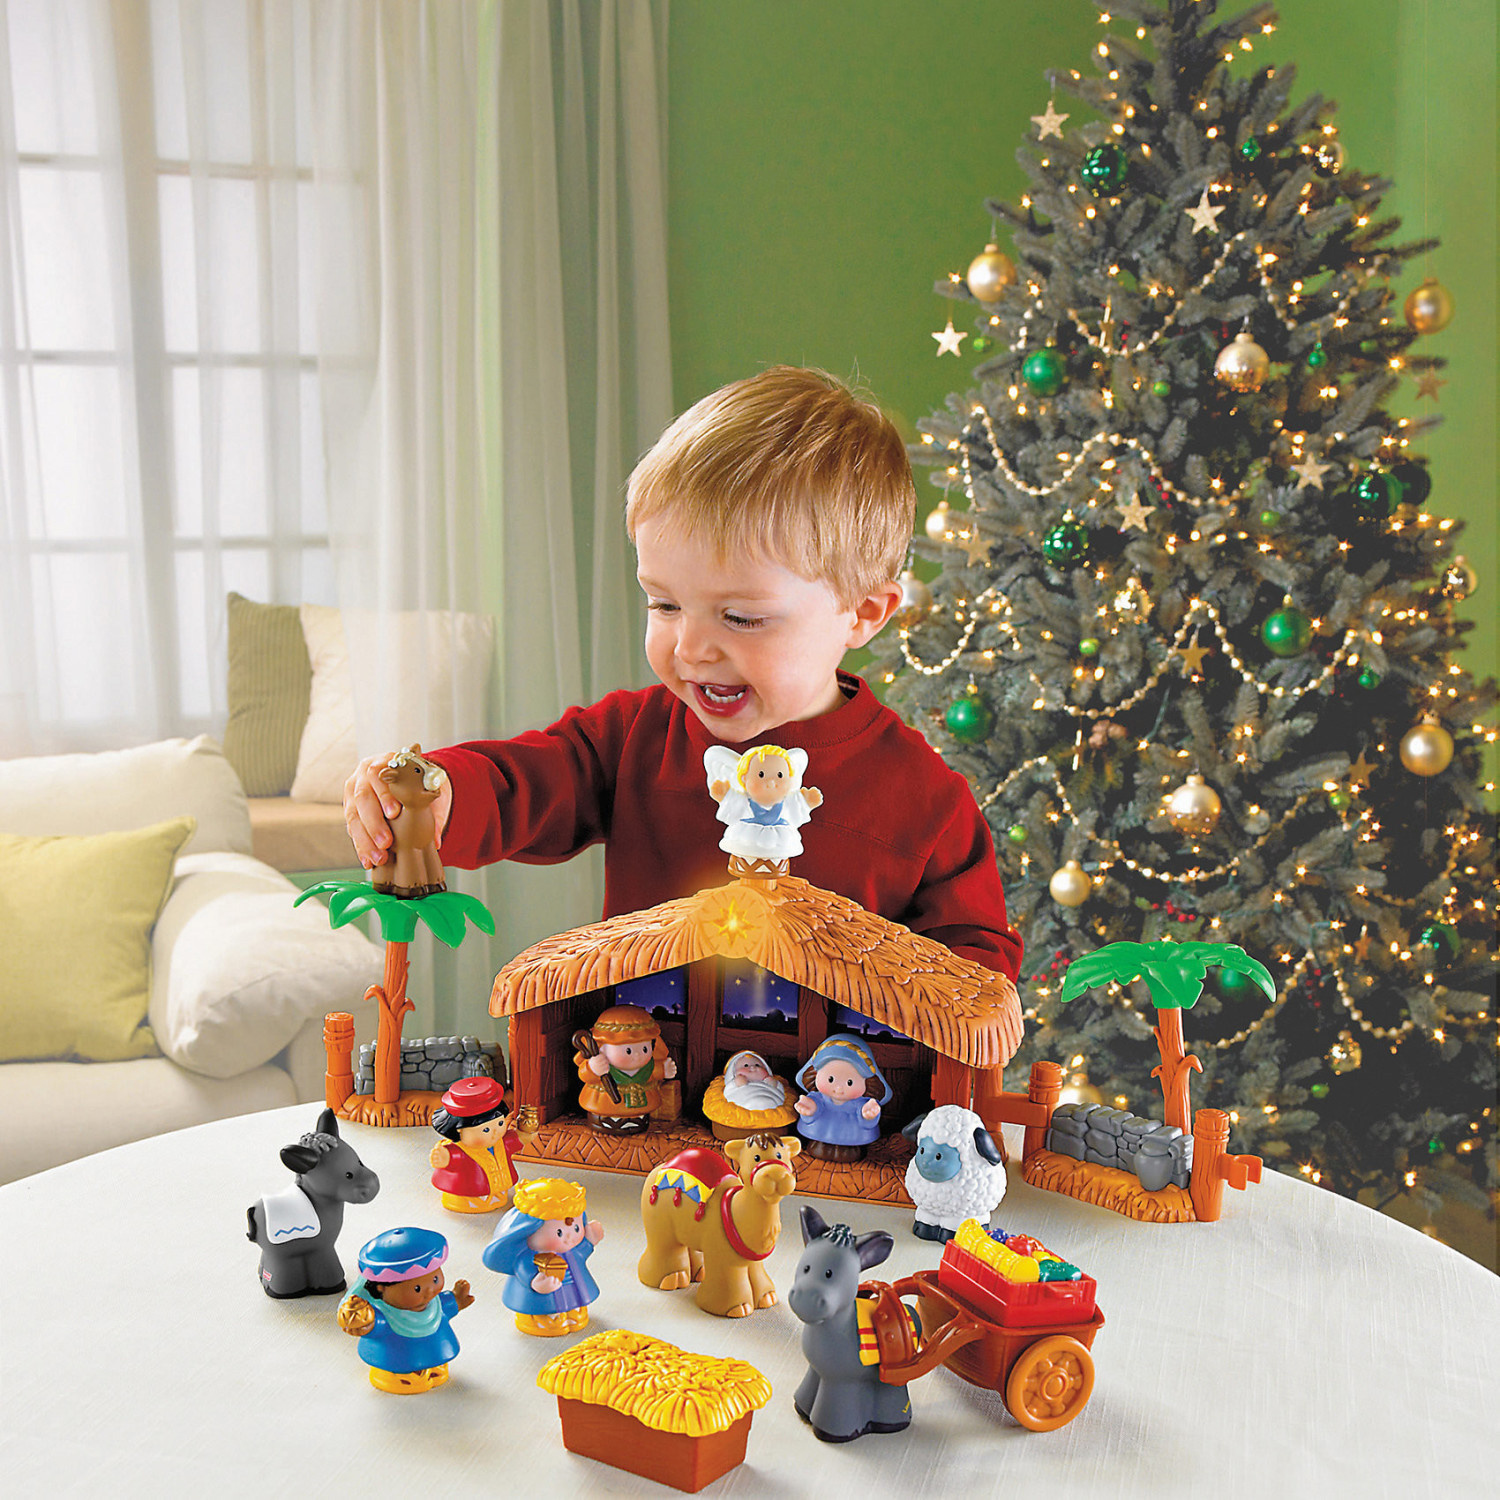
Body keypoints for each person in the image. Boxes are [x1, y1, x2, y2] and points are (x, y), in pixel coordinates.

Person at [342, 366, 1021, 980]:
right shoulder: (632, 738)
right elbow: (523, 781)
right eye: (664, 604)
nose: (691, 649)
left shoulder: (926, 802)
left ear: (863, 614)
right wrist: (439, 792)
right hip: (634, 1072)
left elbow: (977, 972)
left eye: (741, 618)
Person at [337, 1226, 472, 1394]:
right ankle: (398, 1375)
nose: (430, 1291)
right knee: (400, 1371)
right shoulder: (385, 1316)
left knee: (435, 1366)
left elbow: (444, 1307)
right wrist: (364, 1322)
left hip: (436, 1351)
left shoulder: (434, 1305)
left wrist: (456, 1299)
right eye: (417, 1288)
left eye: (435, 1279)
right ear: (381, 1288)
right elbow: (374, 1326)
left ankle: (433, 1368)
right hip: (392, 1360)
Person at [481, 1178, 603, 1336]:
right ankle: (540, 1320)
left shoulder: (570, 1252)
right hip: (538, 1301)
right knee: (545, 1312)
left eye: (576, 1228)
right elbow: (524, 1271)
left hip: (573, 1291)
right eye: (559, 1232)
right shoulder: (527, 1258)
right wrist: (536, 1281)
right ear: (529, 1230)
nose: (570, 1238)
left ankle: (574, 1314)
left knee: (574, 1307)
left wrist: (589, 1241)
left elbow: (580, 1254)